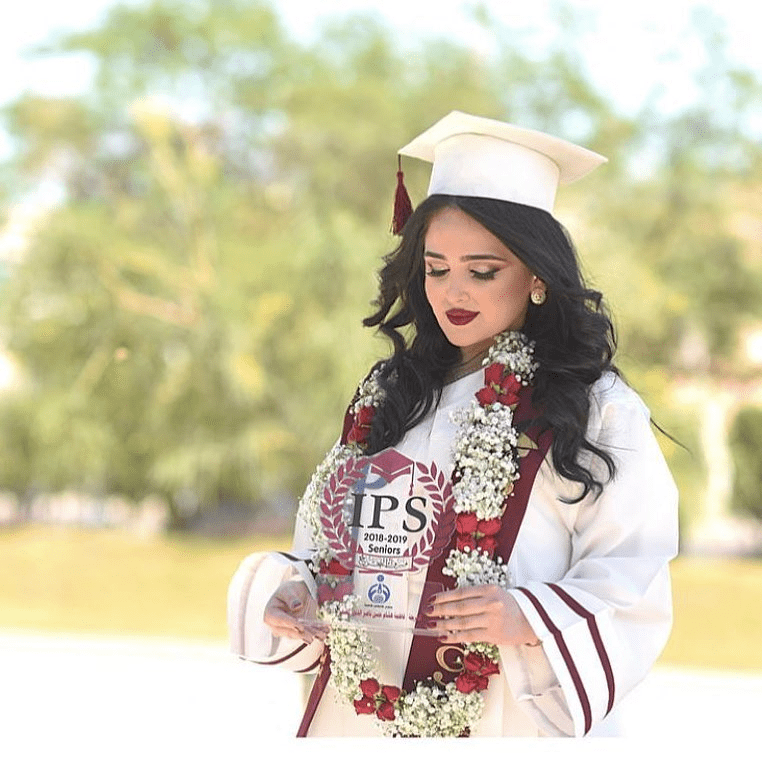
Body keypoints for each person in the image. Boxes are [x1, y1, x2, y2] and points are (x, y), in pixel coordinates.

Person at [227, 111, 678, 737]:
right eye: (436, 269)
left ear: (538, 275)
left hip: (507, 708)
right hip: (364, 709)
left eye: (482, 271)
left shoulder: (594, 407)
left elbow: (635, 563)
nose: (453, 292)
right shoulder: (389, 398)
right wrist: (299, 589)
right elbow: (325, 539)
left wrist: (524, 616)